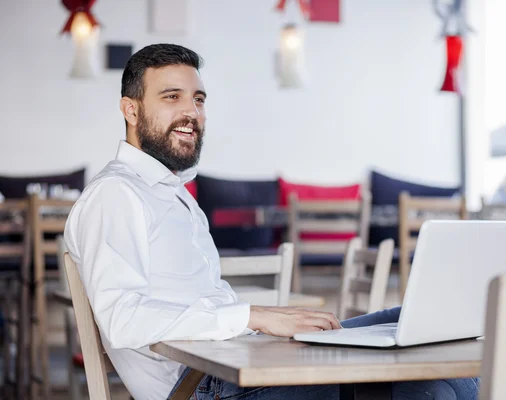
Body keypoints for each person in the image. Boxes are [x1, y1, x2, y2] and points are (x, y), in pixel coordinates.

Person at [64, 43, 479, 400]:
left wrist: (260, 327)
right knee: (431, 388)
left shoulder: (170, 193)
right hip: (204, 386)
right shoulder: (117, 193)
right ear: (130, 110)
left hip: (239, 357)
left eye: (199, 99)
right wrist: (252, 316)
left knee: (425, 328)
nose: (191, 111)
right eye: (172, 97)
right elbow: (122, 319)